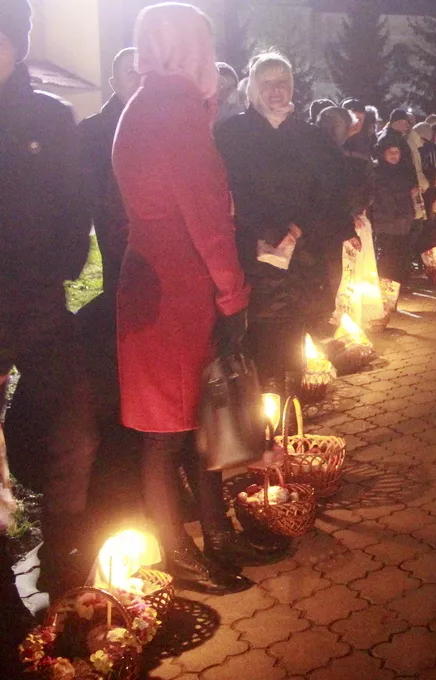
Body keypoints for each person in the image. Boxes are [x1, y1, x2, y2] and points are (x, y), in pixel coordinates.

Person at [113, 2, 255, 593]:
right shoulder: (177, 113)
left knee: (178, 423)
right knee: (172, 427)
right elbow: (208, 223)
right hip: (179, 289)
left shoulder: (143, 106)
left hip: (150, 281)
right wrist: (233, 295)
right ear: (191, 51)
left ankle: (211, 534)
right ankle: (179, 550)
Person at [0, 0, 99, 602]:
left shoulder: (49, 118)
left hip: (37, 298)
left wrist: (59, 265)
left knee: (75, 429)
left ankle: (64, 560)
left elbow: (74, 201)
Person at [216, 50, 349, 393]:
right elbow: (227, 192)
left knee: (292, 353)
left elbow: (330, 191)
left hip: (302, 261)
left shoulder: (310, 137)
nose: (276, 91)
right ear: (252, 88)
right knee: (257, 353)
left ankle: (289, 423)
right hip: (253, 261)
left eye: (283, 83)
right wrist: (260, 233)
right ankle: (262, 428)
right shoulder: (231, 134)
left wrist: (299, 228)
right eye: (267, 83)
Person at [79, 48, 140, 294]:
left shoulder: (162, 125)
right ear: (114, 83)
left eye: (143, 72)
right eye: (130, 73)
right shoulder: (94, 130)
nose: (139, 79)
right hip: (115, 228)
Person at [371, 139, 416, 285]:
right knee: (386, 255)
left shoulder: (403, 170)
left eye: (396, 152)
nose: (393, 155)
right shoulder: (377, 172)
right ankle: (387, 286)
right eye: (390, 152)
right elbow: (379, 196)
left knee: (401, 253)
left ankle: (400, 283)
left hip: (403, 221)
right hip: (386, 221)